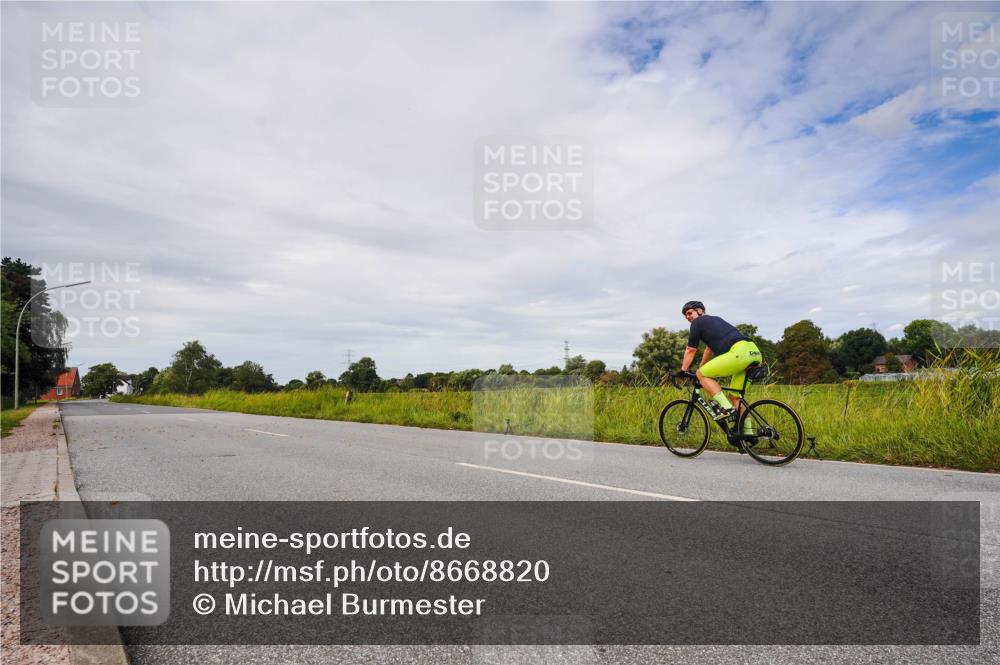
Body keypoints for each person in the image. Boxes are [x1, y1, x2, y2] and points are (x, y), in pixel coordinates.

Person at [677, 300, 762, 432]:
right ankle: (748, 433)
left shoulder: (697, 323)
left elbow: (690, 350)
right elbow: (709, 350)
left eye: (689, 313)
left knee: (701, 375)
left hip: (739, 352)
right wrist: (701, 367)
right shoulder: (716, 320)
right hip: (754, 352)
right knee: (735, 396)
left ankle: (727, 409)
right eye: (685, 316)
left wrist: (683, 370)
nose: (688, 317)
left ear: (700, 311)